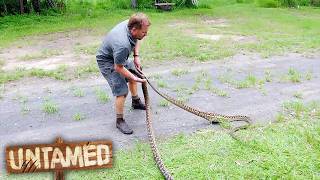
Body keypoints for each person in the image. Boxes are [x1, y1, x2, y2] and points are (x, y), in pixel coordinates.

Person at [96, 13, 150, 135]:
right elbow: (118, 67)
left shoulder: (131, 24)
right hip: (107, 61)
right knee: (122, 91)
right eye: (144, 32)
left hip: (118, 56)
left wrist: (136, 56)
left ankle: (135, 102)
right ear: (134, 29)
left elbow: (137, 38)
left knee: (133, 71)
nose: (146, 34)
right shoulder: (123, 44)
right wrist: (135, 78)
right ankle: (119, 120)